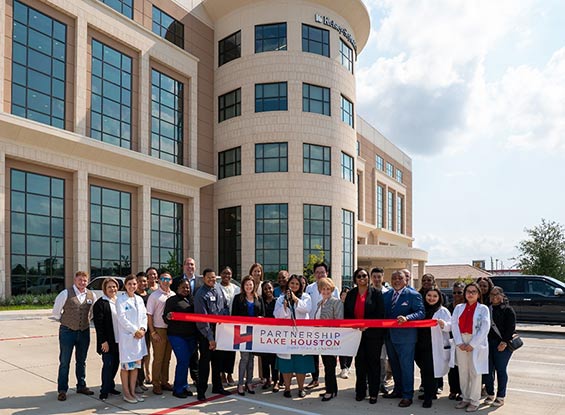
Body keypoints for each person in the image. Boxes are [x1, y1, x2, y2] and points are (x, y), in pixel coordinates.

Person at [382, 269, 425, 408]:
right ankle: (398, 390)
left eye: (399, 278)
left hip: (406, 338)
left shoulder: (413, 295)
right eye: (393, 278)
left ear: (406, 280)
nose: (396, 281)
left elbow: (421, 312)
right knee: (394, 366)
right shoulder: (387, 295)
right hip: (389, 336)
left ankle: (407, 395)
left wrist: (407, 318)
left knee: (406, 367)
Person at [52, 271, 96, 401]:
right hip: (67, 332)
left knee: (81, 361)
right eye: (80, 280)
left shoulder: (91, 295)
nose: (82, 282)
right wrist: (67, 322)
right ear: (75, 280)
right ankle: (62, 389)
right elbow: (56, 313)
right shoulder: (65, 293)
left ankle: (81, 385)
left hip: (84, 331)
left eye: (85, 280)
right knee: (65, 361)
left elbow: (92, 313)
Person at [344, 268, 385, 404]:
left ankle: (373, 393)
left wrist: (368, 325)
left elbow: (380, 314)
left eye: (365, 276)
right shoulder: (351, 294)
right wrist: (353, 326)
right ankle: (360, 391)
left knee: (373, 363)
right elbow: (347, 314)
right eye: (359, 276)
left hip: (373, 334)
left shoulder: (377, 294)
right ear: (355, 279)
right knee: (360, 363)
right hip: (356, 334)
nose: (362, 278)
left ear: (368, 278)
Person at [451, 282, 490, 412]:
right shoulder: (458, 308)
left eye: (474, 292)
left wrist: (473, 344)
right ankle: (465, 398)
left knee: (475, 371)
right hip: (461, 340)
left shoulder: (483, 309)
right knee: (463, 371)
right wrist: (459, 342)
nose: (471, 294)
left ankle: (474, 400)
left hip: (476, 342)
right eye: (468, 291)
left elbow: (485, 328)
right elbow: (454, 325)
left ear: (478, 294)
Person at [194, 268, 232, 400]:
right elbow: (202, 320)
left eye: (214, 277)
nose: (212, 279)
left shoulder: (219, 289)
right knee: (205, 363)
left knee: (218, 362)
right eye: (209, 277)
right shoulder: (200, 294)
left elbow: (225, 307)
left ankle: (217, 386)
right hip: (206, 334)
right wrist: (210, 338)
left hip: (220, 331)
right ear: (204, 278)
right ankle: (201, 391)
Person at [274, 274, 314, 398]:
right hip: (286, 335)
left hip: (301, 336)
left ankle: (301, 388)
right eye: (292, 283)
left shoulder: (306, 297)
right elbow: (277, 315)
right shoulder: (281, 298)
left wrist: (296, 299)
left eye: (297, 284)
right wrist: (285, 307)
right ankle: (287, 388)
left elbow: (306, 309)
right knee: (286, 363)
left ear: (301, 285)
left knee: (301, 363)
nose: (294, 286)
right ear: (288, 285)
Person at [415, 288, 452, 408]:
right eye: (429, 295)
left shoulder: (443, 311)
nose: (431, 298)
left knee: (431, 372)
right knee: (424, 371)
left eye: (435, 296)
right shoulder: (421, 309)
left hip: (435, 346)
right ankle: (430, 392)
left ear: (439, 297)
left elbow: (450, 327)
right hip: (421, 345)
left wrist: (443, 324)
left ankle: (428, 398)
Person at [305, 262, 339, 390]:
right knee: (313, 355)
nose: (320, 275)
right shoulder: (309, 288)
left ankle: (329, 383)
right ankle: (314, 379)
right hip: (312, 327)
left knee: (328, 358)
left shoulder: (333, 288)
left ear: (327, 273)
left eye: (322, 272)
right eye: (317, 272)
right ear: (314, 274)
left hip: (328, 329)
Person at [163, 279, 198, 399]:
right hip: (176, 335)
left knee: (186, 362)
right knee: (182, 361)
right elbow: (165, 317)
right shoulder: (171, 301)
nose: (186, 290)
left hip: (191, 336)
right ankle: (177, 389)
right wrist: (168, 317)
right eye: (183, 287)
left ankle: (184, 386)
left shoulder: (192, 300)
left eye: (187, 287)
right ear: (177, 288)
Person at [116, 275, 148, 404]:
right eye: (129, 284)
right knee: (126, 367)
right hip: (128, 338)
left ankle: (133, 392)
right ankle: (126, 393)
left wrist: (142, 329)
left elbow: (144, 316)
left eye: (134, 284)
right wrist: (135, 330)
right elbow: (122, 318)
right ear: (125, 285)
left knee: (135, 367)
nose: (132, 286)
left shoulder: (139, 299)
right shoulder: (121, 300)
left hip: (139, 338)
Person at [232, 275, 264, 395]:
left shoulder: (258, 298)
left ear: (254, 285)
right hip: (242, 331)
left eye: (250, 284)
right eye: (246, 285)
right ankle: (240, 384)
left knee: (251, 358)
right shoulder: (238, 298)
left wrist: (261, 318)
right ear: (243, 286)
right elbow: (233, 315)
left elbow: (262, 313)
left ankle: (249, 383)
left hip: (255, 331)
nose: (249, 287)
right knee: (244, 358)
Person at [484, 286, 516, 407]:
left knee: (501, 370)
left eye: (497, 294)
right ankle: (490, 393)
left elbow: (511, 328)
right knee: (487, 370)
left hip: (502, 345)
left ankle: (501, 396)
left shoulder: (508, 310)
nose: (494, 297)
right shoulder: (487, 309)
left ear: (502, 295)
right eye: (492, 294)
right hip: (488, 344)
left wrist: (504, 342)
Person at [314, 277, 344, 402]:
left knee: (330, 366)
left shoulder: (336, 302)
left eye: (328, 289)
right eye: (323, 289)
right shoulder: (319, 303)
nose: (325, 291)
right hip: (321, 339)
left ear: (331, 289)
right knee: (326, 365)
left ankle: (330, 391)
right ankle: (332, 389)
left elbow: (339, 320)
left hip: (331, 339)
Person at [146, 272, 175, 395]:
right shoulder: (154, 296)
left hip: (171, 330)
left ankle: (164, 381)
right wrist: (153, 332)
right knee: (158, 358)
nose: (165, 281)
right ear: (159, 280)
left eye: (167, 279)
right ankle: (156, 383)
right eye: (163, 279)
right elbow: (149, 316)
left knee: (167, 358)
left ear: (171, 281)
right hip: (159, 330)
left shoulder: (173, 295)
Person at [93, 277, 121, 401]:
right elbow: (99, 325)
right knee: (108, 365)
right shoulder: (100, 303)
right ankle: (104, 390)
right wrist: (103, 341)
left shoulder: (119, 301)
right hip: (107, 341)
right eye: (109, 287)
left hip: (119, 340)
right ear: (104, 289)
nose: (112, 289)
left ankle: (110, 386)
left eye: (114, 286)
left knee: (115, 365)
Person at [217, 266, 240, 386]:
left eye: (229, 274)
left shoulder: (236, 289)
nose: (227, 276)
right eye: (224, 273)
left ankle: (229, 373)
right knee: (221, 349)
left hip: (232, 324)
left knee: (231, 351)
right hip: (220, 325)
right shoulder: (216, 288)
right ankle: (221, 374)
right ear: (220, 274)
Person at [370, 266, 390, 393]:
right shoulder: (367, 292)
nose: (377, 279)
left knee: (382, 359)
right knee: (371, 358)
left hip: (384, 331)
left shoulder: (388, 293)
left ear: (383, 278)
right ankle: (370, 382)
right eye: (374, 277)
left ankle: (381, 383)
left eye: (379, 277)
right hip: (369, 331)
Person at [259, 281, 280, 391]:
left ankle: (276, 381)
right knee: (265, 359)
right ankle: (267, 379)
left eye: (270, 288)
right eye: (265, 288)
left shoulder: (278, 301)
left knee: (274, 359)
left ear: (273, 289)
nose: (268, 290)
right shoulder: (260, 301)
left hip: (275, 334)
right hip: (263, 334)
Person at [447, 281, 465, 401]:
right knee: (452, 367)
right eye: (454, 292)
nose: (456, 295)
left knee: (463, 368)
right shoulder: (448, 307)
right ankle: (453, 390)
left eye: (459, 292)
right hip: (451, 341)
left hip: (464, 341)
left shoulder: (466, 307)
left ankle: (462, 391)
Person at [135, 271, 150, 391]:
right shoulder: (133, 295)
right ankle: (136, 382)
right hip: (136, 331)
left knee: (144, 355)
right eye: (139, 281)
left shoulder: (149, 295)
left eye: (144, 281)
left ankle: (141, 380)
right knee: (136, 356)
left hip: (147, 329)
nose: (142, 283)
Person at [338, 286, 352, 379]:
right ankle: (343, 367)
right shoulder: (338, 304)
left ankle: (348, 367)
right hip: (340, 331)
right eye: (343, 294)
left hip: (351, 331)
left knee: (350, 350)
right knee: (342, 350)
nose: (345, 296)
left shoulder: (352, 305)